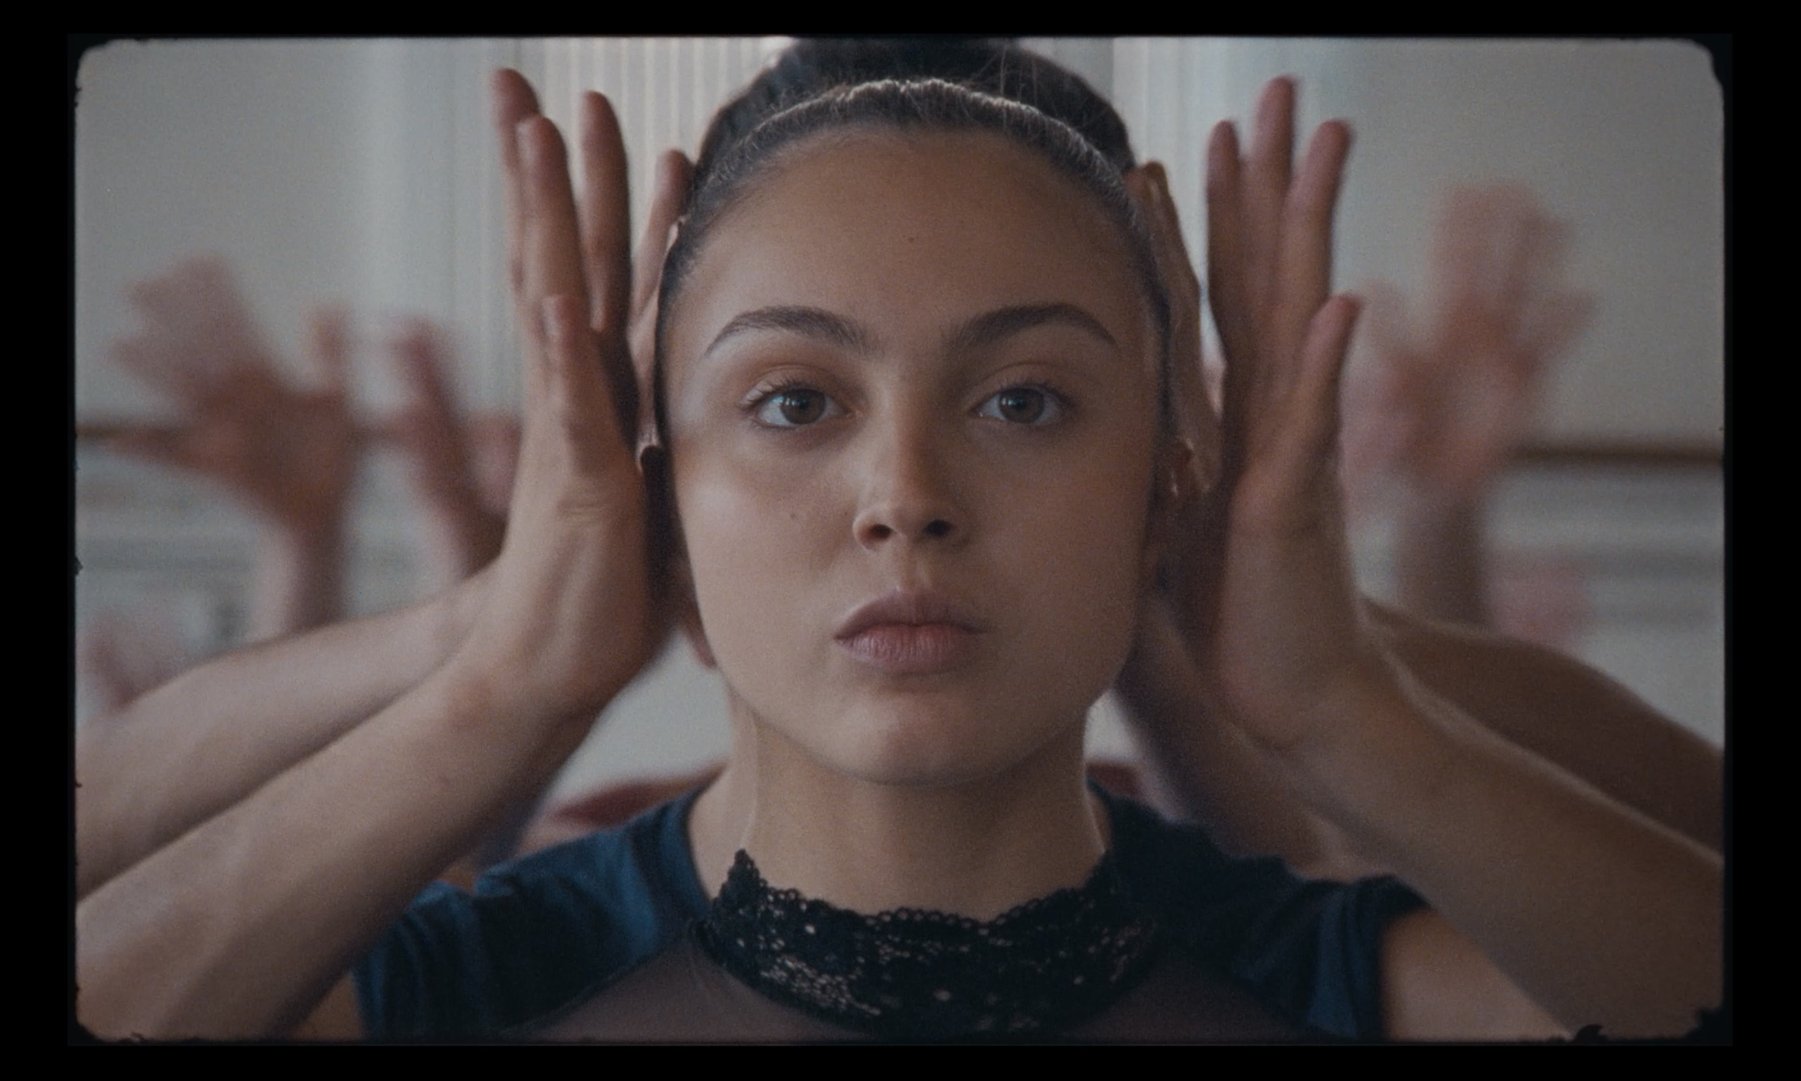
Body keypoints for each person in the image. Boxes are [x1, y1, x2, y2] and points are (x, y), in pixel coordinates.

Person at [76, 62, 1721, 1042]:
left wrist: (1337, 698)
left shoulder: (1354, 984)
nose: (903, 496)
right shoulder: (465, 982)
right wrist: (502, 660)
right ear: (659, 492)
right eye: (792, 400)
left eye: (1023, 399)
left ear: (1164, 481)